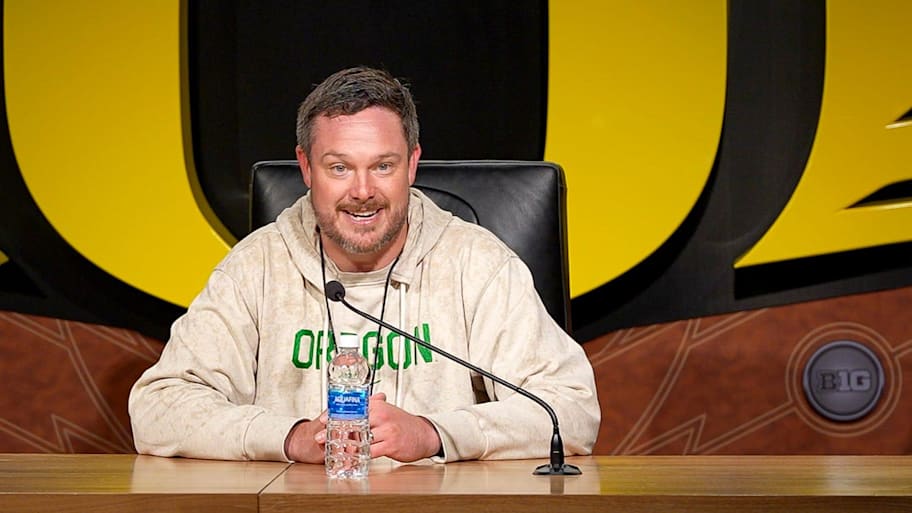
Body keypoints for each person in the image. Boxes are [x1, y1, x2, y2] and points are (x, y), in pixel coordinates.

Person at [129, 66, 600, 463]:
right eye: (339, 167)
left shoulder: (478, 265)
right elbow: (158, 408)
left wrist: (434, 434)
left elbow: (572, 410)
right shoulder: (256, 268)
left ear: (412, 165)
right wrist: (290, 438)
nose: (361, 191)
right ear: (306, 168)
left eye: (383, 166)